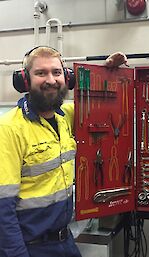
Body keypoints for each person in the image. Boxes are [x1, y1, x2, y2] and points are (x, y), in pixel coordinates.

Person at [0, 46, 127, 257]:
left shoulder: (66, 116)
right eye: (41, 73)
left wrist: (109, 72)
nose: (51, 80)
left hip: (65, 241)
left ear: (67, 78)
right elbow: (2, 208)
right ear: (25, 81)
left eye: (56, 72)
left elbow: (109, 107)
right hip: (30, 247)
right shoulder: (9, 128)